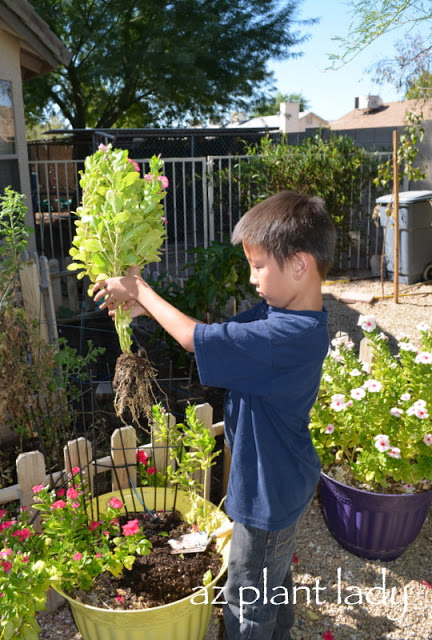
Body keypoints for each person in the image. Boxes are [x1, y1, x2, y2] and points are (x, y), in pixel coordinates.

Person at [93, 190, 336, 639]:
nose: (252, 278)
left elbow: (194, 340)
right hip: (283, 479)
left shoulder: (283, 337)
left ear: (299, 265)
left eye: (259, 265)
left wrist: (141, 288)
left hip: (267, 493)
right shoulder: (283, 318)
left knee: (246, 599)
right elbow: (209, 334)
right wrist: (143, 302)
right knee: (273, 579)